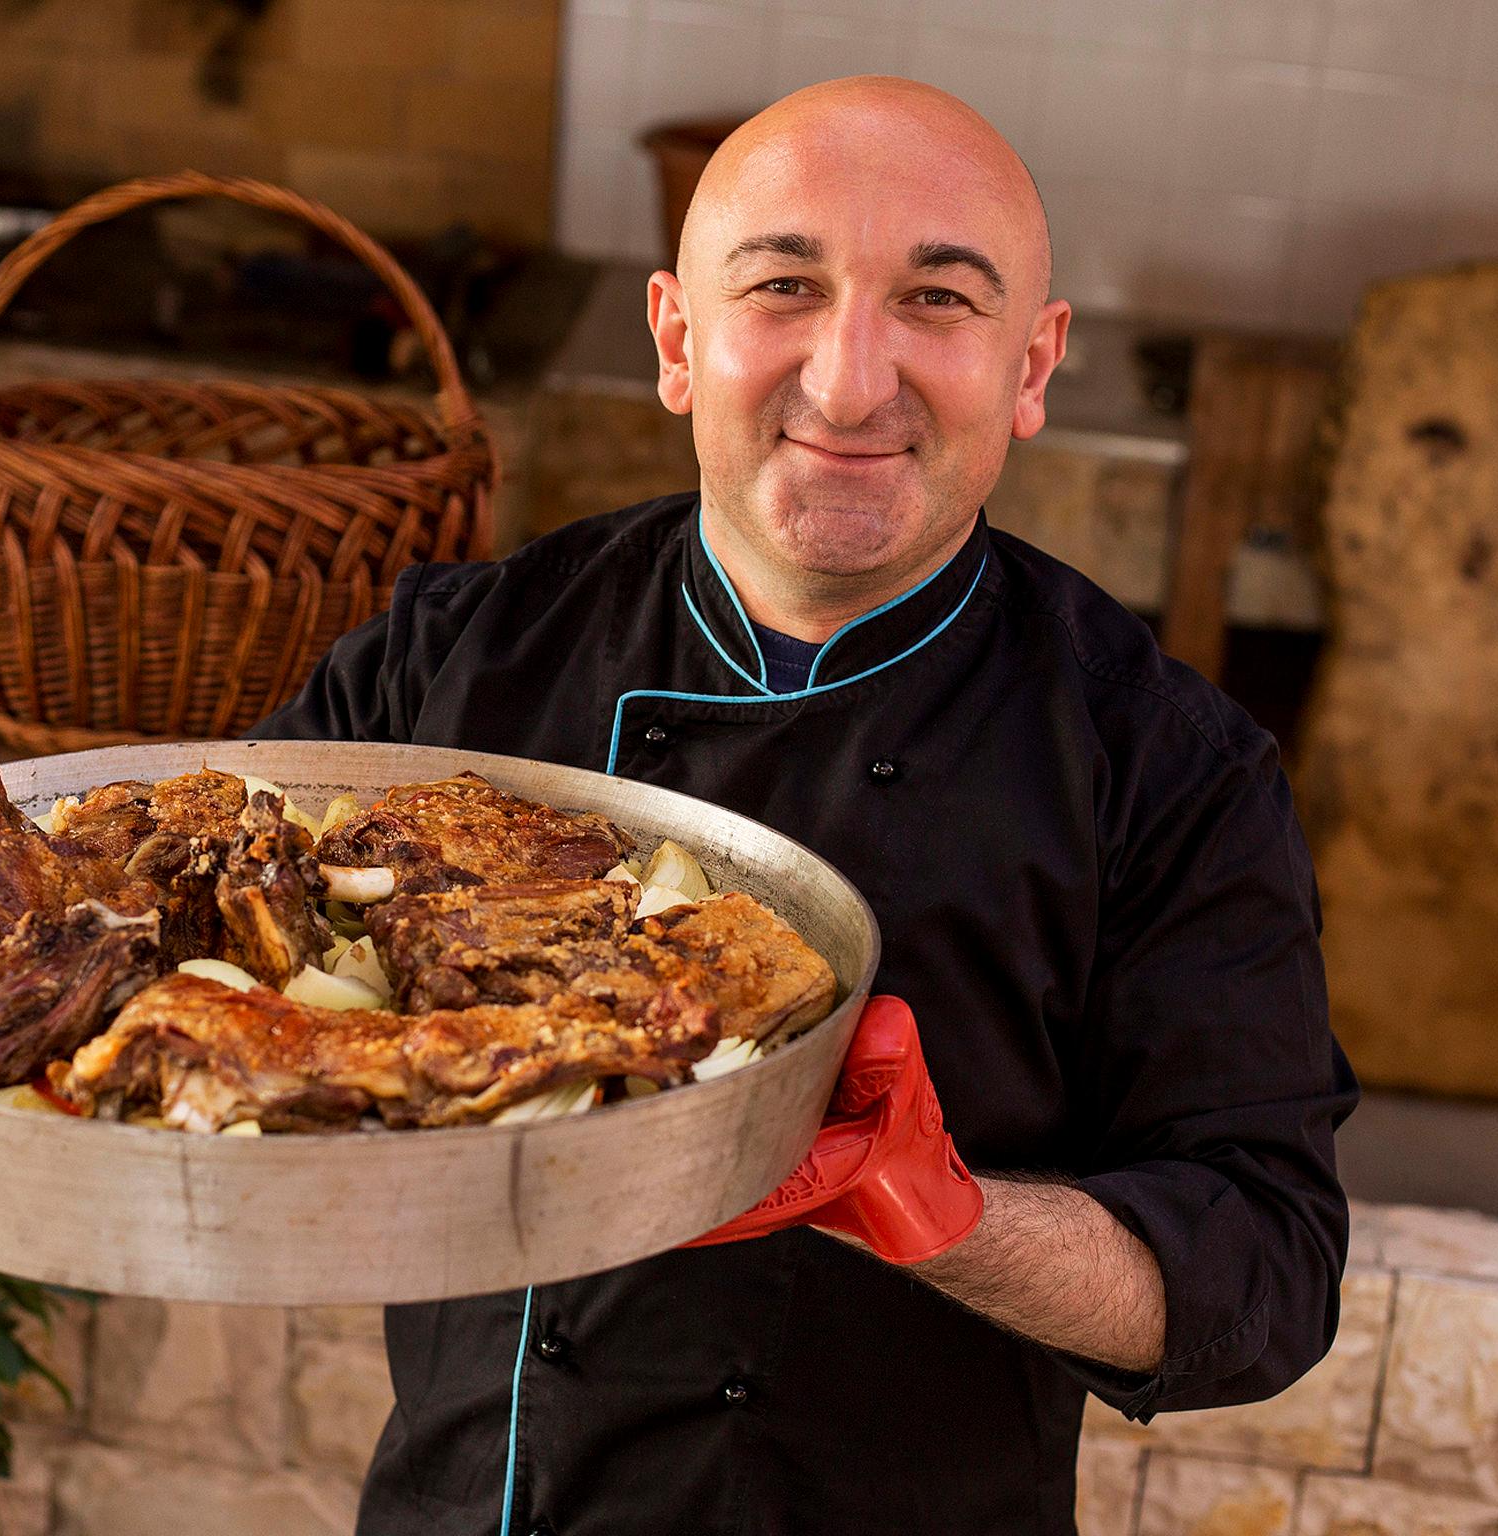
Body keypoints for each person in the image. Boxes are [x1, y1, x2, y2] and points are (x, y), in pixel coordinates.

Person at [254, 75, 1357, 1536]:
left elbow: (1265, 1270)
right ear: (675, 339)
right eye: (785, 285)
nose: (848, 381)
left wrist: (938, 1208)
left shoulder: (1164, 769)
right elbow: (208, 946)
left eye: (939, 303)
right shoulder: (448, 661)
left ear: (1033, 367)